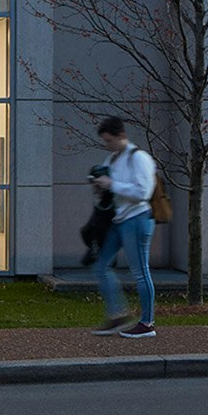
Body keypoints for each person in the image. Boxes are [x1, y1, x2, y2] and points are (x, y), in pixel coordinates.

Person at [90, 116, 158, 340]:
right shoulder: (112, 159)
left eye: (110, 140)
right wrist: (100, 185)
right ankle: (117, 314)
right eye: (105, 141)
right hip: (119, 220)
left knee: (140, 271)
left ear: (121, 136)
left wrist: (112, 185)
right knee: (101, 266)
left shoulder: (139, 158)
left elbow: (143, 192)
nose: (107, 145)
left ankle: (147, 323)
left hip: (137, 218)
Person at [80, 166, 116, 267]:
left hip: (104, 241)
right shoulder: (101, 200)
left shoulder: (109, 201)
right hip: (100, 241)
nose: (94, 185)